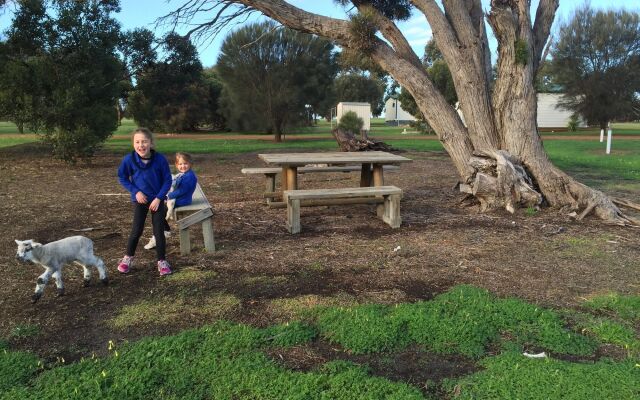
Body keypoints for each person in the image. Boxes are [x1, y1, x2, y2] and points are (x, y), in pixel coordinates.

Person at [117, 127, 173, 276]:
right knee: (137, 230)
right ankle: (127, 258)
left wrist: (159, 198)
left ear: (151, 143)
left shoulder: (160, 159)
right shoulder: (129, 160)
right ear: (133, 144)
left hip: (157, 199)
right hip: (140, 199)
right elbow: (122, 177)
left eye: (144, 142)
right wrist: (136, 192)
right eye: (137, 142)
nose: (141, 145)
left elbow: (167, 180)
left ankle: (162, 261)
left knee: (158, 231)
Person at [144, 152, 198, 250]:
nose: (183, 166)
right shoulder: (184, 174)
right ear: (177, 165)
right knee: (157, 211)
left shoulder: (189, 176)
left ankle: (160, 234)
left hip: (182, 200)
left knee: (158, 211)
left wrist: (168, 195)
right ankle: (164, 230)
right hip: (180, 198)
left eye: (185, 163)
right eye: (180, 164)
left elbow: (182, 190)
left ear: (190, 164)